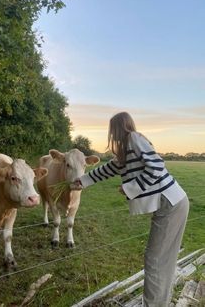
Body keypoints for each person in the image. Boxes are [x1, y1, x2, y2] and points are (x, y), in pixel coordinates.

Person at [72, 111, 189, 307]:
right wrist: (82, 181)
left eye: (112, 129)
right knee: (162, 260)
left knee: (155, 260)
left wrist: (129, 188)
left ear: (119, 127)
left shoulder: (134, 138)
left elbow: (157, 166)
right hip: (171, 203)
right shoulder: (127, 149)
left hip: (171, 204)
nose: (111, 134)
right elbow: (109, 169)